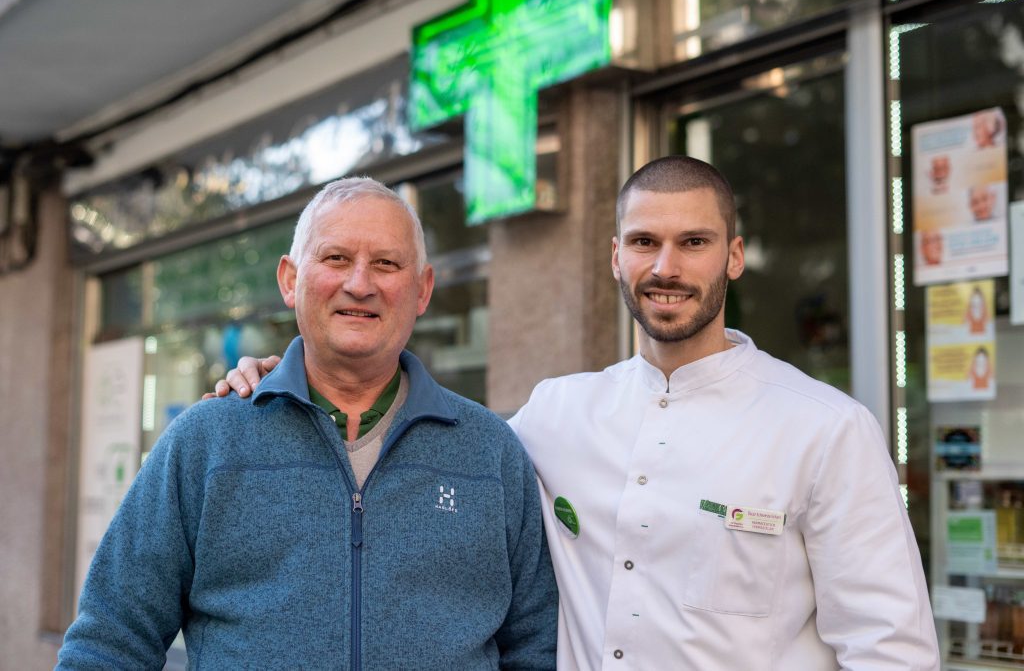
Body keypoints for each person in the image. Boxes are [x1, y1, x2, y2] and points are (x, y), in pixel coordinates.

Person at [214, 157, 940, 669]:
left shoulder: (826, 428)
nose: (667, 267)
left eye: (694, 242)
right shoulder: (556, 412)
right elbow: (407, 433)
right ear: (615, 257)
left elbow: (891, 649)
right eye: (644, 242)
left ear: (735, 256)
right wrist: (280, 380)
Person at [57, 178, 558, 669]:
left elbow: (538, 646)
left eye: (386, 263)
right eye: (336, 258)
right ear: (290, 280)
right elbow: (111, 641)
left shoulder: (491, 452)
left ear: (422, 289)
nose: (359, 284)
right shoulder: (207, 442)